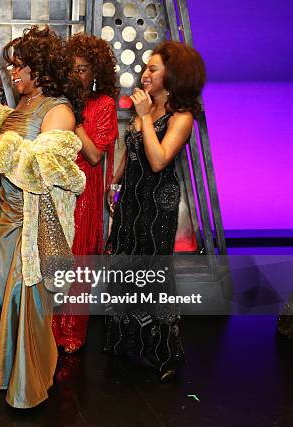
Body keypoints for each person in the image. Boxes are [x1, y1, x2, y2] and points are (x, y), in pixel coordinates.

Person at [0, 26, 85, 408]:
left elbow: (44, 169)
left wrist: (1, 144)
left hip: (33, 223)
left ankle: (28, 386)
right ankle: (9, 371)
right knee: (2, 299)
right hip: (9, 215)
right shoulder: (24, 105)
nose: (13, 74)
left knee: (25, 302)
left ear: (39, 69)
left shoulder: (57, 109)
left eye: (19, 67)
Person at [104, 41, 206, 382]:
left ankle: (165, 353)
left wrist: (145, 117)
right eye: (146, 68)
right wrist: (114, 181)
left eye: (153, 69)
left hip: (156, 206)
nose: (145, 74)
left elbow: (159, 159)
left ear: (173, 75)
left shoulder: (182, 117)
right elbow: (131, 152)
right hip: (131, 200)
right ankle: (126, 339)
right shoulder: (144, 109)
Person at [51, 33, 119, 354]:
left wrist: (76, 119)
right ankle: (49, 329)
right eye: (72, 69)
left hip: (86, 194)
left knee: (79, 264)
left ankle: (72, 331)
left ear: (96, 72)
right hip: (56, 192)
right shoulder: (57, 102)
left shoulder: (103, 105)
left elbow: (94, 155)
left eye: (83, 69)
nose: (77, 75)